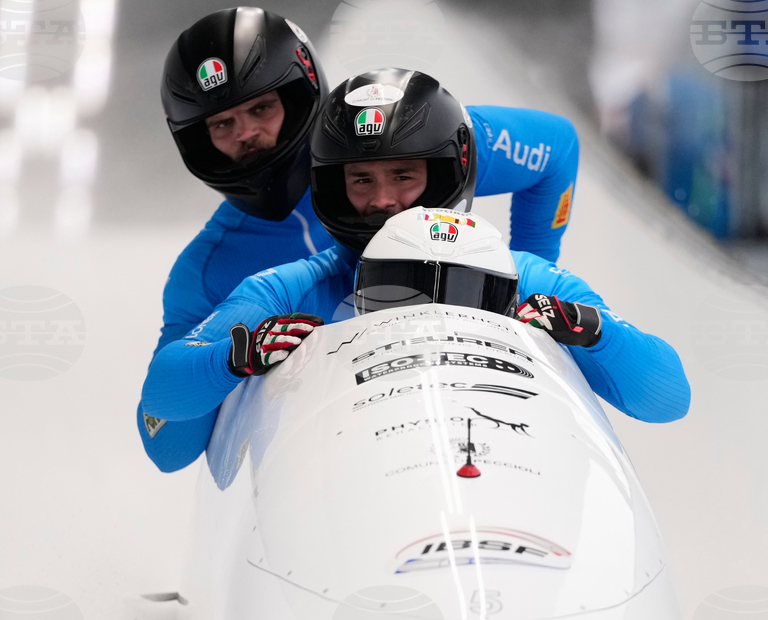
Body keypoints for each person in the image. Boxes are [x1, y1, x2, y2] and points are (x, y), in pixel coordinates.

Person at [141, 49, 581, 459]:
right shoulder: (215, 272)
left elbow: (557, 148)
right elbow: (168, 443)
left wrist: (527, 280)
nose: (249, 135)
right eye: (222, 125)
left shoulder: (407, 137)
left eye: (261, 109)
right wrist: (234, 360)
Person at [141, 206, 691, 472]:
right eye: (399, 290)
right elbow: (163, 414)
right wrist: (237, 358)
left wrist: (592, 332)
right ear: (361, 288)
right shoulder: (297, 284)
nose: (431, 312)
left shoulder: (538, 282)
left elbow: (669, 398)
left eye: (468, 293)